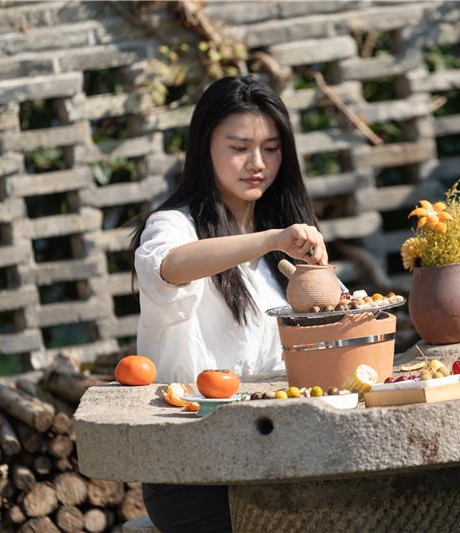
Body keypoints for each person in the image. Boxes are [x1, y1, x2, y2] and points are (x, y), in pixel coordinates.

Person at [129, 75, 329, 532]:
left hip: (277, 452)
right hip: (193, 464)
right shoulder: (172, 225)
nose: (258, 163)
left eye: (272, 149)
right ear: (205, 148)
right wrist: (269, 240)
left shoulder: (283, 242)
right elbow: (169, 267)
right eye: (239, 147)